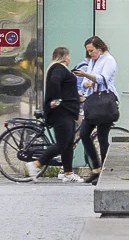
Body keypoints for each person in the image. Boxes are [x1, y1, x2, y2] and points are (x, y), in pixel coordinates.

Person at [76, 36, 121, 183]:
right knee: (84, 134)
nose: (90, 54)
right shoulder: (93, 61)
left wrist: (86, 75)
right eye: (88, 51)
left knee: (102, 138)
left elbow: (102, 79)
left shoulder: (109, 60)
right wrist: (86, 82)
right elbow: (84, 83)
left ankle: (105, 172)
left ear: (99, 49)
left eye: (92, 50)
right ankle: (95, 168)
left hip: (104, 102)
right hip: (92, 101)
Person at [41, 46, 81, 183]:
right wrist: (56, 100)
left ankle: (68, 172)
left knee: (68, 143)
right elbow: (55, 82)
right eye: (68, 56)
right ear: (64, 57)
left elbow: (63, 87)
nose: (70, 59)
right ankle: (37, 164)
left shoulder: (58, 68)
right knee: (63, 144)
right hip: (62, 112)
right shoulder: (59, 68)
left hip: (67, 111)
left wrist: (77, 95)